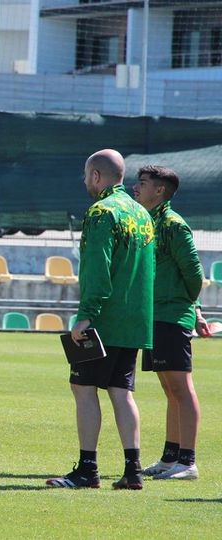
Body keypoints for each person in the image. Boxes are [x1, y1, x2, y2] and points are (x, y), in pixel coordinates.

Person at [46, 149, 154, 490]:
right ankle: (133, 471)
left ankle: (88, 470)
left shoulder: (101, 212)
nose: (85, 182)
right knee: (122, 392)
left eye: (86, 175)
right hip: (135, 319)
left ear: (96, 176)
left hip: (104, 320)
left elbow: (98, 269)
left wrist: (85, 316)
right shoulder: (142, 214)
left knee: (83, 387)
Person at [132, 165, 205, 481]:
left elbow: (194, 274)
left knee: (181, 388)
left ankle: (188, 462)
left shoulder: (174, 225)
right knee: (169, 389)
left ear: (159, 190)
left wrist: (187, 307)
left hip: (171, 316)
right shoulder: (149, 221)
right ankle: (169, 457)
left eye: (143, 183)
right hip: (155, 316)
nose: (136, 188)